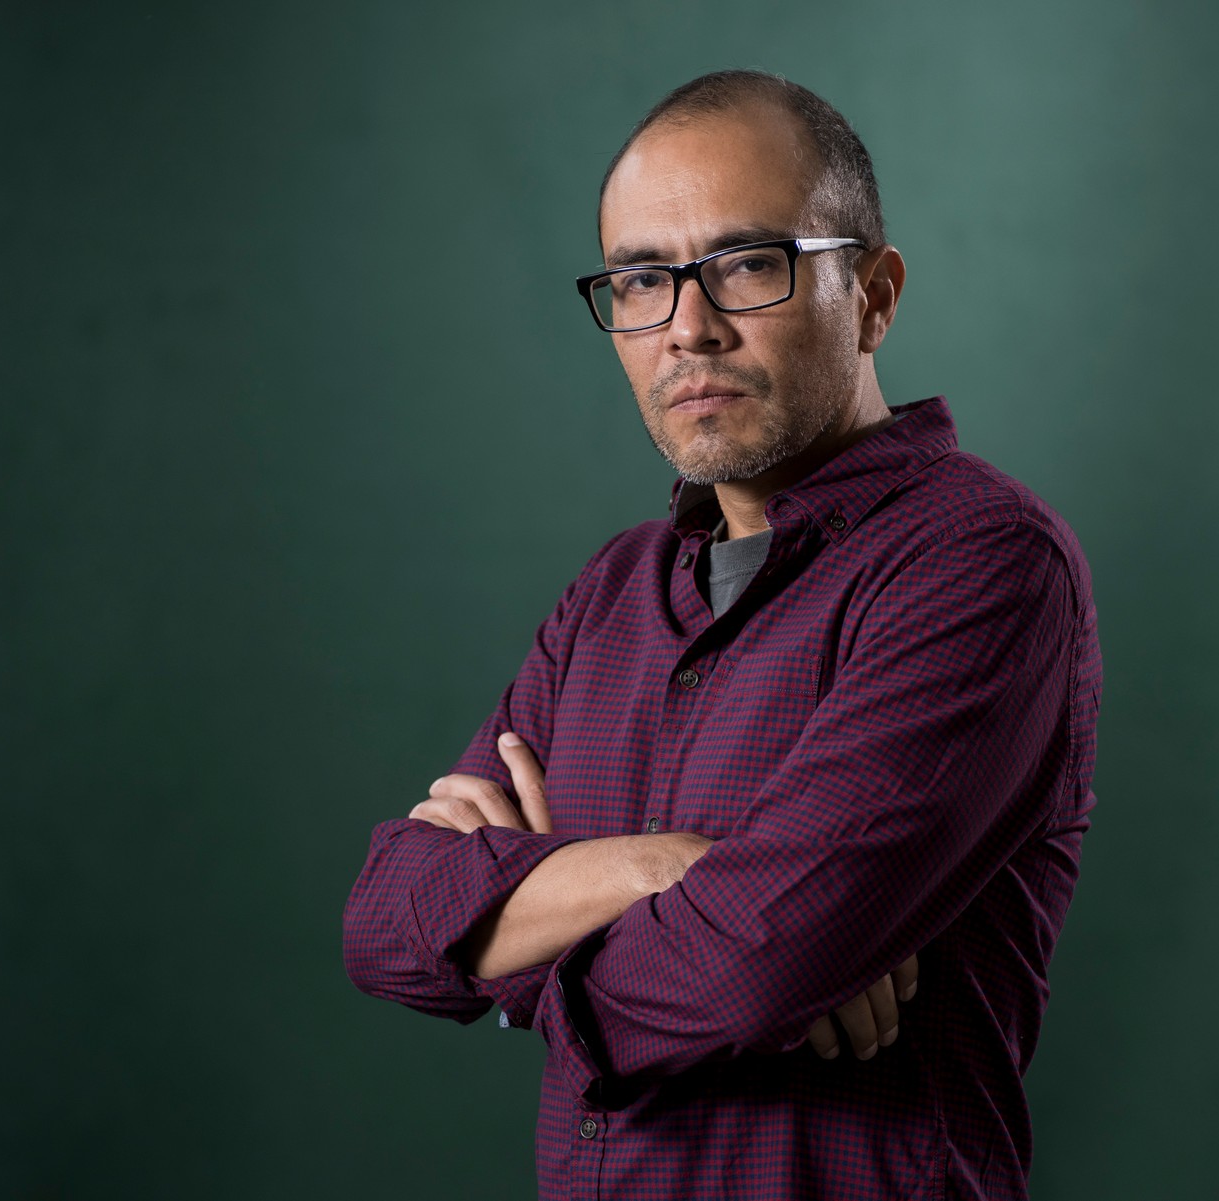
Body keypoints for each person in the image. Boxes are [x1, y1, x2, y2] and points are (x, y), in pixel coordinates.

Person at [342, 69, 1101, 1201]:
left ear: (874, 297)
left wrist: (514, 932)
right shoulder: (611, 593)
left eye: (748, 264)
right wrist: (666, 867)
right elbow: (384, 927)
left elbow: (748, 971)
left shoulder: (982, 564)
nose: (687, 329)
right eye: (643, 280)